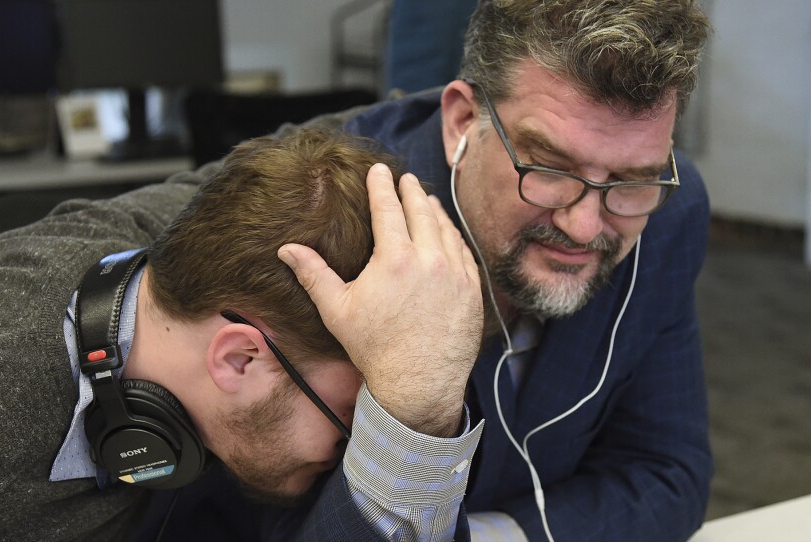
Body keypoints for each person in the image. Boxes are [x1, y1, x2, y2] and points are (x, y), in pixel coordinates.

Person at [274, 0, 714, 540]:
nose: (582, 226)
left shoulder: (670, 212)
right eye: (550, 167)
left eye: (629, 179)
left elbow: (668, 474)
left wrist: (498, 535)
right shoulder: (333, 233)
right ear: (462, 120)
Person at [0, 128, 485, 541]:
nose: (352, 452)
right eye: (353, 419)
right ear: (241, 358)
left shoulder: (218, 231)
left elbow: (312, 170)